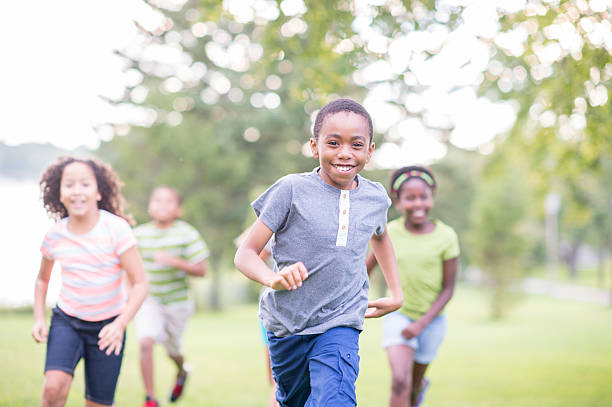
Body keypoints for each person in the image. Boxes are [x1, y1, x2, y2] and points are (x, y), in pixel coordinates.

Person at [234, 98, 404, 407]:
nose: (344, 153)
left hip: (341, 322)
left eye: (356, 144)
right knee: (293, 401)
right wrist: (273, 279)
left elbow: (381, 236)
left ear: (369, 150)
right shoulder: (291, 190)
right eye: (334, 143)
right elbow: (245, 253)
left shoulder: (375, 197)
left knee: (335, 400)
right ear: (315, 146)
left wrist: (396, 291)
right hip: (288, 327)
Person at [32, 156, 148, 407]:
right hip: (67, 321)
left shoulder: (116, 230)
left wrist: (120, 324)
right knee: (53, 388)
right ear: (59, 193)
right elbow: (42, 280)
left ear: (98, 191)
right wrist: (40, 318)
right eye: (69, 184)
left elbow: (140, 283)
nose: (77, 191)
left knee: (98, 404)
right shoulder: (55, 235)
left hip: (109, 328)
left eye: (85, 184)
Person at [366, 166, 460, 407]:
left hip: (432, 321)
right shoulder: (388, 232)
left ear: (432, 198)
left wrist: (421, 324)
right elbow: (364, 270)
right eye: (410, 198)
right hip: (398, 315)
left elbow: (448, 289)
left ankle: (417, 391)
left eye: (423, 196)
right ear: (398, 202)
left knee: (413, 387)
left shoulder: (446, 236)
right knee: (399, 380)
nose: (418, 203)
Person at [132, 186, 209, 407]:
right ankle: (150, 398)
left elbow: (201, 270)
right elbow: (127, 266)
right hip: (149, 299)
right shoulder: (139, 234)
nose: (162, 205)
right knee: (145, 342)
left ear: (179, 209)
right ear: (149, 207)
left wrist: (175, 262)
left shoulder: (186, 233)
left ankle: (182, 371)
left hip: (178, 303)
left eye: (169, 201)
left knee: (172, 350)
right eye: (157, 200)